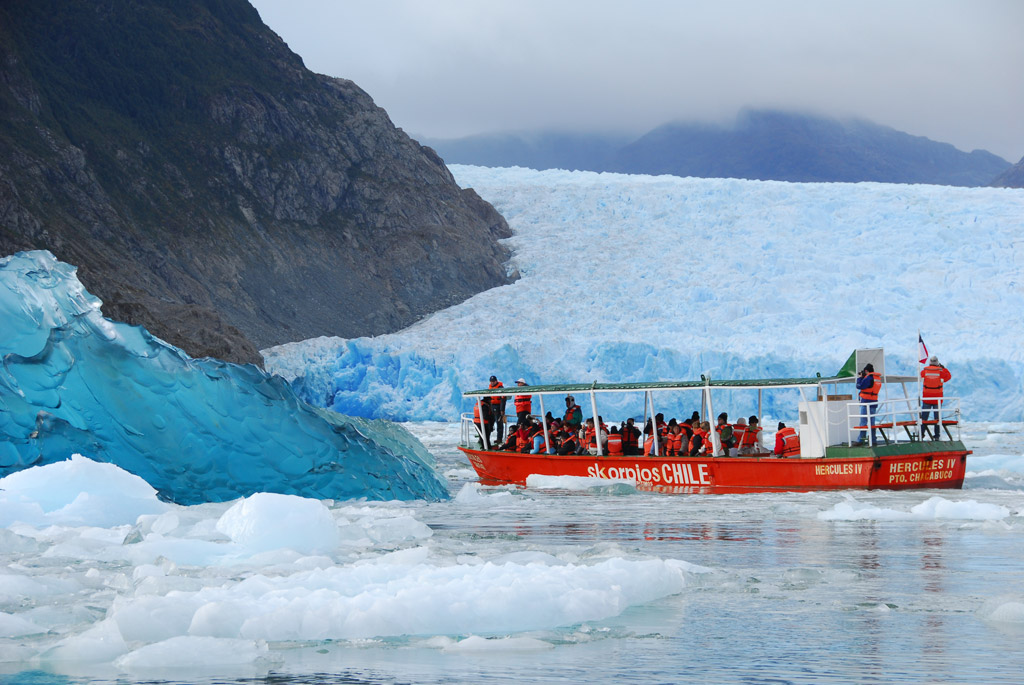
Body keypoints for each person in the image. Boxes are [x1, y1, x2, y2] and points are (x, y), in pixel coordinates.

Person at [920, 356, 952, 440]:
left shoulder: (924, 371)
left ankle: (921, 434)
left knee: (924, 418)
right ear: (937, 363)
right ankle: (937, 436)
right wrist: (943, 368)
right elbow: (948, 376)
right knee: (937, 419)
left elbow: (921, 375)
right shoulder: (941, 372)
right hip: (937, 398)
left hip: (927, 397)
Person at [856, 363, 881, 445]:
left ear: (866, 371)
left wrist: (860, 378)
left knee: (863, 421)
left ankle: (861, 440)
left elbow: (859, 386)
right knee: (872, 422)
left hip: (866, 402)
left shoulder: (869, 378)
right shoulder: (876, 378)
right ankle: (873, 440)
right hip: (873, 402)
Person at [488, 375, 507, 444]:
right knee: (490, 423)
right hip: (492, 406)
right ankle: (486, 438)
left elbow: (503, 399)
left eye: (493, 381)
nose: (492, 383)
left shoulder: (500, 387)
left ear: (496, 381)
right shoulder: (490, 387)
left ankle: (499, 438)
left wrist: (502, 409)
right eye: (491, 381)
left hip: (498, 407)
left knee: (499, 423)